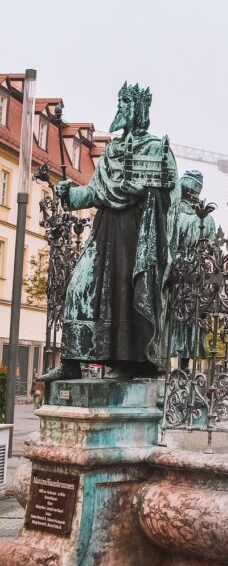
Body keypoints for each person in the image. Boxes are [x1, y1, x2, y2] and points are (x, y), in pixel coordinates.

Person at [40, 83, 178, 382]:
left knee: (125, 294)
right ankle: (71, 361)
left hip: (135, 233)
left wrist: (143, 191)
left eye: (127, 103)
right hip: (104, 230)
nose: (122, 108)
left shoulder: (156, 147)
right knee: (79, 288)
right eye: (120, 102)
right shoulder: (112, 149)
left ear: (140, 109)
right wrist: (70, 195)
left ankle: (126, 362)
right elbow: (96, 190)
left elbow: (170, 195)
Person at [166, 170, 217, 365]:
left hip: (174, 269)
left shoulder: (172, 214)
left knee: (171, 318)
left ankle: (166, 364)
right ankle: (184, 367)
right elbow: (213, 249)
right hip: (195, 271)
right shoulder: (206, 219)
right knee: (191, 320)